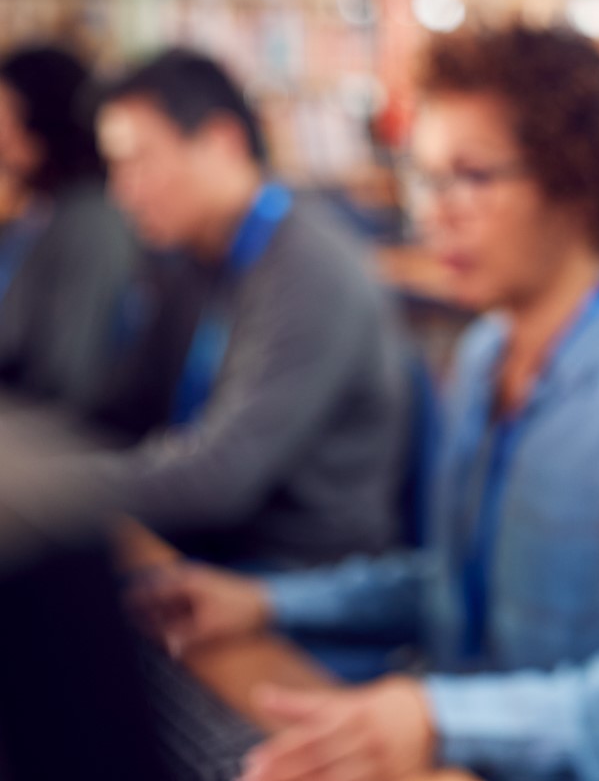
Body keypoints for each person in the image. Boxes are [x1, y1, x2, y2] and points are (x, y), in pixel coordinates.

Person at [131, 26, 599, 781]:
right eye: (425, 178)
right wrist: (265, 600)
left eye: (471, 176)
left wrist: (435, 717)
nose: (433, 212)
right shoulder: (480, 358)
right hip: (479, 771)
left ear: (579, 184)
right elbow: (453, 582)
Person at [88, 49, 405, 567]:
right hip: (207, 553)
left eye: (138, 161)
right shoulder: (195, 257)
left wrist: (40, 484)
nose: (121, 191)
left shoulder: (310, 268)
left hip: (294, 579)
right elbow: (127, 411)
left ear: (221, 142)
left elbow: (221, 478)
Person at [0, 45, 136, 411]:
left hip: (42, 439)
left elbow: (64, 382)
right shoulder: (38, 213)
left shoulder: (90, 224)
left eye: (11, 119)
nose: (3, 138)